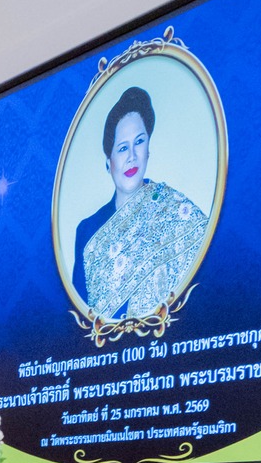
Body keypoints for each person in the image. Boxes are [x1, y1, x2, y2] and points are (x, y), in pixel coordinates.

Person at [71, 84, 210, 320]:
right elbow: (79, 322)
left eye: (139, 142)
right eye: (122, 148)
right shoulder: (87, 232)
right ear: (109, 162)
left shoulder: (174, 208)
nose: (132, 156)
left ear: (148, 150)